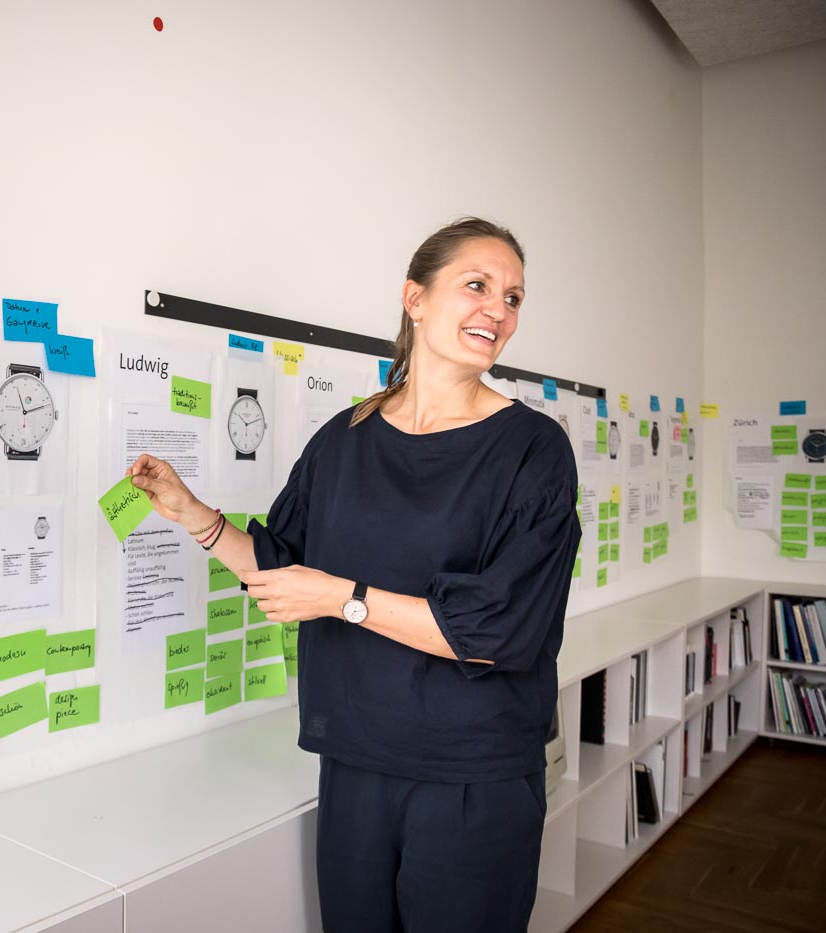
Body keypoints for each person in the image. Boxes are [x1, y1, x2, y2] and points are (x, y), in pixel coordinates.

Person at [128, 217, 581, 932]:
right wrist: (195, 515)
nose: (498, 309)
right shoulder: (344, 439)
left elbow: (500, 630)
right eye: (477, 285)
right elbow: (284, 570)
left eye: (513, 297)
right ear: (415, 298)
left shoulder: (534, 449)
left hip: (472, 778)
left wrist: (344, 599)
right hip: (354, 762)